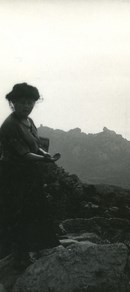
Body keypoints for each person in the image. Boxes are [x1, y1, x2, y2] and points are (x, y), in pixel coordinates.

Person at [0, 83, 61, 268]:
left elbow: (35, 145)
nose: (27, 106)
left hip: (29, 172)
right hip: (13, 175)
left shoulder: (29, 121)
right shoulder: (9, 126)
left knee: (36, 209)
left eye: (31, 103)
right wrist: (45, 160)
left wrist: (44, 154)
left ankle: (38, 248)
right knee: (17, 213)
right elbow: (23, 154)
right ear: (13, 103)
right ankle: (15, 255)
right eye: (23, 102)